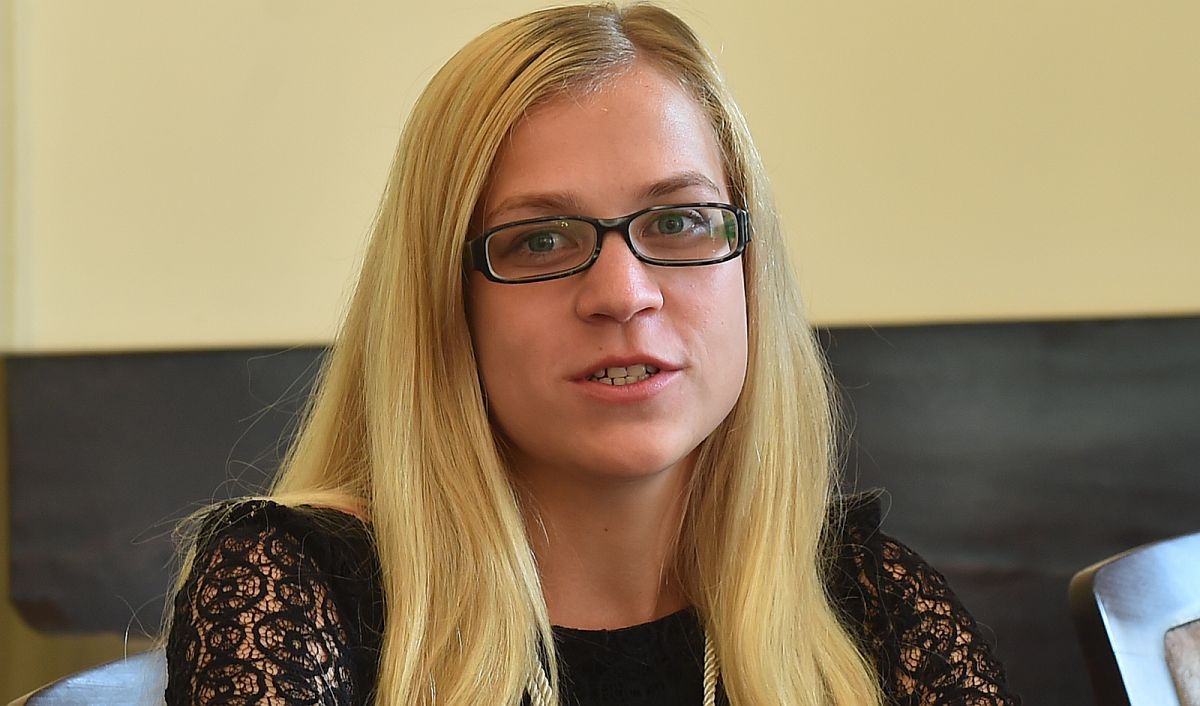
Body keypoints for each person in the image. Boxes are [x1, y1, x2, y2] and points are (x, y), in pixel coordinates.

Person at [165, 4, 1019, 705]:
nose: (623, 292)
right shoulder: (293, 590)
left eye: (678, 221)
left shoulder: (868, 605)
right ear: (444, 304)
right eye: (540, 239)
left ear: (751, 271)